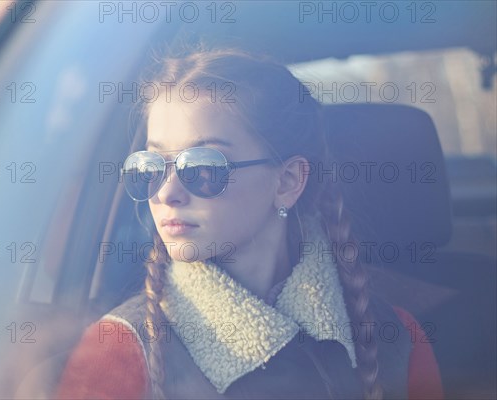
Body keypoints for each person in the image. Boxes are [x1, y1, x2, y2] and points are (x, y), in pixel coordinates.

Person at [56, 46, 444, 400]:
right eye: (151, 166)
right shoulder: (117, 351)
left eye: (202, 167)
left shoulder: (397, 339)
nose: (166, 192)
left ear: (288, 181)